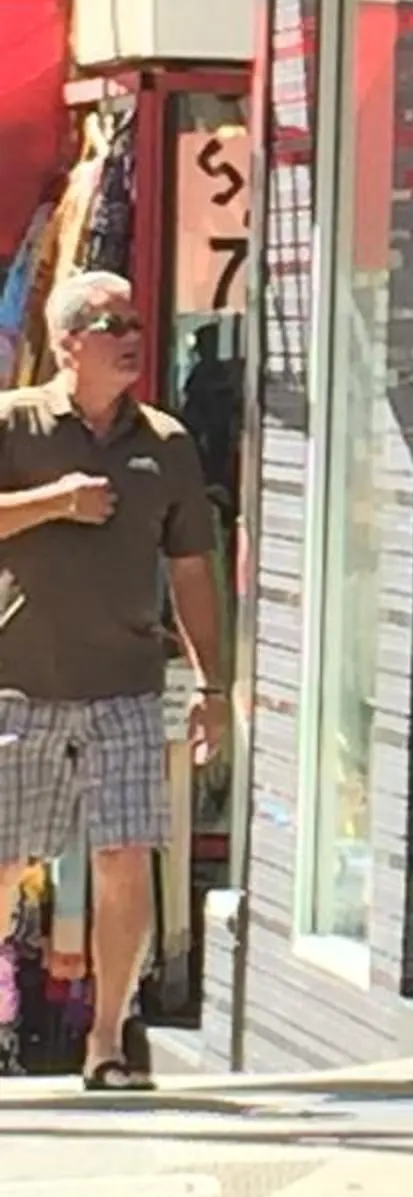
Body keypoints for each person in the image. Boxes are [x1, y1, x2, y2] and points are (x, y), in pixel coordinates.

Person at [0, 270, 226, 1090]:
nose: (132, 333)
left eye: (136, 320)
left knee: (124, 855)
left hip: (126, 687)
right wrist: (55, 500)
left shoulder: (165, 442)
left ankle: (106, 1044)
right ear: (67, 344)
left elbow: (194, 571)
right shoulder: (16, 423)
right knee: (4, 860)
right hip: (18, 685)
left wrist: (214, 687)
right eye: (111, 322)